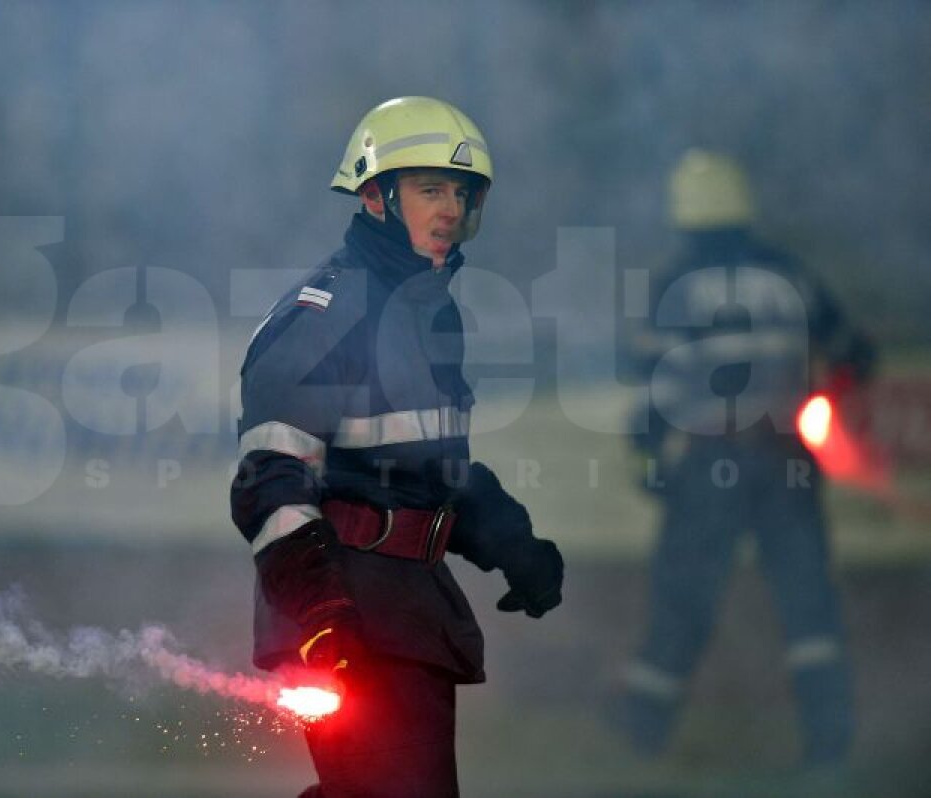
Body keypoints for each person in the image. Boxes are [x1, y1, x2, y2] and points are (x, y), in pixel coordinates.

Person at [230, 96, 564, 798]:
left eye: (461, 192)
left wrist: (513, 545)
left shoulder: (426, 311)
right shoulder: (329, 310)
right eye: (431, 189)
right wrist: (323, 617)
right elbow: (268, 481)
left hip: (406, 611)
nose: (450, 207)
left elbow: (427, 470)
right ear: (377, 195)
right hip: (350, 616)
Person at [610, 149, 875, 767]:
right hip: (788, 459)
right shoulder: (792, 274)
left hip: (711, 463)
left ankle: (641, 737)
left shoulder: (677, 282)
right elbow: (856, 354)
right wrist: (818, 401)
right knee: (808, 603)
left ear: (685, 212)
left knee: (682, 597)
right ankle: (830, 743)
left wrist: (646, 454)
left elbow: (656, 384)